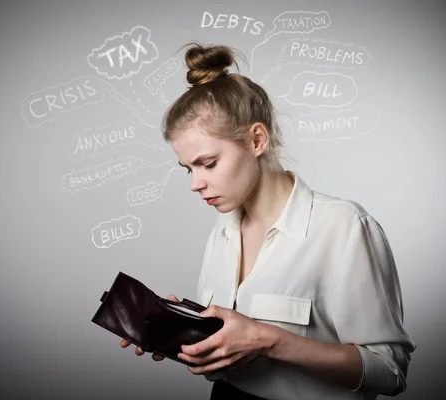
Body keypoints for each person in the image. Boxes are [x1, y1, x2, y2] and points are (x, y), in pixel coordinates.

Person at [120, 42, 417, 400]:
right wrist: (186, 332)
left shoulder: (344, 227)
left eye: (208, 164)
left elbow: (390, 370)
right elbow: (229, 355)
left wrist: (269, 340)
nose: (195, 184)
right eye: (188, 168)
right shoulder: (223, 231)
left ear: (257, 140)